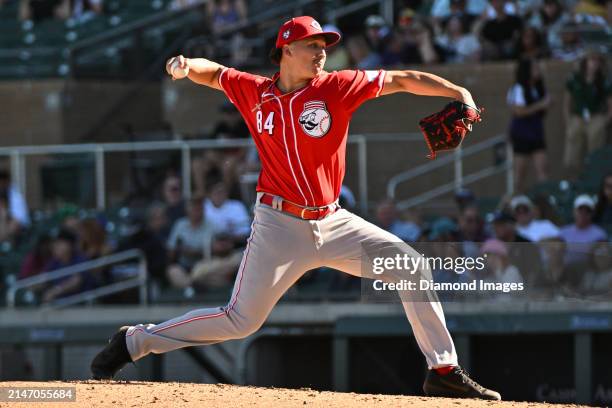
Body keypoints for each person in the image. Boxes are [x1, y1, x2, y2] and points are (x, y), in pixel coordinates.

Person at [91, 16, 500, 400]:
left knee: (413, 267)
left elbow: (402, 79)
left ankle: (443, 371)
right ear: (286, 48)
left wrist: (457, 92)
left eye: (324, 45)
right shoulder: (255, 92)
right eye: (312, 45)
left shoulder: (337, 86)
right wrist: (184, 65)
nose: (322, 52)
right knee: (240, 321)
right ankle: (135, 341)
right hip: (279, 225)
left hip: (333, 221)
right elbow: (213, 73)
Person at [563, 51, 612, 174]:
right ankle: (573, 181)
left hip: (596, 117)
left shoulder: (604, 80)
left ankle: (593, 181)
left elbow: (610, 102)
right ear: (585, 61)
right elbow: (567, 101)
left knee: (595, 153)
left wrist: (605, 120)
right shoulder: (575, 78)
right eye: (592, 60)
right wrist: (568, 120)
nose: (594, 64)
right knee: (572, 154)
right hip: (577, 117)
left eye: (597, 61)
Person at [506, 58, 550, 193]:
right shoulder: (518, 88)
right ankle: (519, 201)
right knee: (520, 174)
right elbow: (519, 112)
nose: (538, 71)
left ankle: (544, 201)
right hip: (522, 133)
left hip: (536, 132)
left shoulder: (538, 88)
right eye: (535, 68)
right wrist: (541, 105)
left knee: (542, 170)